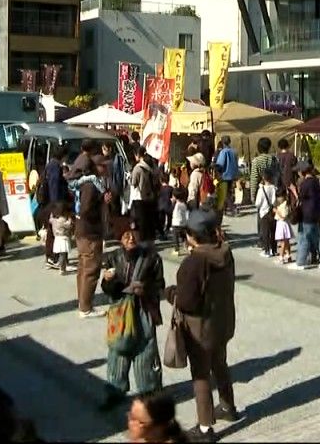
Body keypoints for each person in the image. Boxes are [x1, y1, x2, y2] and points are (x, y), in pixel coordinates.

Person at [164, 207, 241, 441]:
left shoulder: (194, 262)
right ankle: (228, 406)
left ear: (191, 235)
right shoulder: (225, 253)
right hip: (223, 320)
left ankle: (206, 428)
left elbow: (186, 302)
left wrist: (170, 294)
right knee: (220, 363)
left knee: (200, 375)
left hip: (200, 328)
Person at [100, 230, 165, 411]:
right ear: (120, 239)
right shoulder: (113, 258)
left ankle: (149, 392)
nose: (130, 239)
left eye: (134, 235)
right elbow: (106, 288)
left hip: (143, 308)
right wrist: (109, 281)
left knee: (146, 348)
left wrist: (145, 288)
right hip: (120, 310)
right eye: (126, 235)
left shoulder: (152, 258)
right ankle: (115, 391)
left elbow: (160, 284)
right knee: (118, 349)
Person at [74, 159, 107, 318]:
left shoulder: (82, 183)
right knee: (90, 269)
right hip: (90, 232)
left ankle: (82, 302)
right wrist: (102, 201)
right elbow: (87, 209)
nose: (105, 168)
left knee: (83, 268)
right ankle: (85, 307)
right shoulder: (92, 186)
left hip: (81, 230)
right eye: (103, 165)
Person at [294, 161, 320, 270]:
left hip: (307, 214)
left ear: (302, 172)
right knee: (318, 238)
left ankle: (301, 262)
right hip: (316, 213)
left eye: (298, 171)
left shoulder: (306, 184)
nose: (298, 173)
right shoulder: (316, 181)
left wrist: (294, 191)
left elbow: (300, 198)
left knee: (304, 238)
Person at [130, 147, 160, 244]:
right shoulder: (154, 166)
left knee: (141, 221)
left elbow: (133, 183)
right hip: (152, 197)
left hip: (140, 197)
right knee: (150, 220)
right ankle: (151, 240)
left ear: (138, 155)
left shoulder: (138, 168)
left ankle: (142, 241)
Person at [254, 170, 277, 258]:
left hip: (264, 212)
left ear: (263, 178)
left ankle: (267, 250)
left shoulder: (261, 189)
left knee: (265, 232)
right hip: (272, 211)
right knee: (273, 231)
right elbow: (274, 201)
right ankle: (274, 249)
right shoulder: (274, 188)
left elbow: (257, 203)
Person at [214, 137, 240, 216]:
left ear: (223, 142)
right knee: (229, 192)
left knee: (225, 193)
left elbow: (220, 164)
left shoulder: (223, 152)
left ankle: (232, 209)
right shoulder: (233, 151)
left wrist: (214, 167)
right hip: (232, 175)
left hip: (224, 175)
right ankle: (224, 209)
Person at [49, 201, 75, 275]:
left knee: (61, 254)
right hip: (63, 238)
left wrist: (51, 214)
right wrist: (70, 218)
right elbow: (69, 225)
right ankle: (62, 268)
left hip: (57, 238)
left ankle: (63, 266)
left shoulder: (54, 220)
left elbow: (50, 220)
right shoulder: (63, 220)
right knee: (63, 254)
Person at [274, 194, 294, 265]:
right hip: (284, 224)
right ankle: (288, 255)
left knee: (282, 242)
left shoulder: (284, 205)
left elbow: (283, 216)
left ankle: (281, 257)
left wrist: (277, 211)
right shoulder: (284, 204)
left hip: (282, 224)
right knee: (286, 241)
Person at [171, 188, 190, 256]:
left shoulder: (177, 205)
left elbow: (173, 211)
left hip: (176, 224)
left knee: (175, 236)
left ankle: (176, 249)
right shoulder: (184, 204)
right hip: (184, 223)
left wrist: (172, 202)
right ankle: (188, 247)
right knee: (184, 236)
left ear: (175, 197)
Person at [157, 175, 173, 241]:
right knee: (169, 219)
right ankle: (167, 230)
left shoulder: (159, 188)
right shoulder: (170, 188)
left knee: (161, 220)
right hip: (168, 205)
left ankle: (162, 233)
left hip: (160, 205)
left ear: (161, 180)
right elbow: (172, 197)